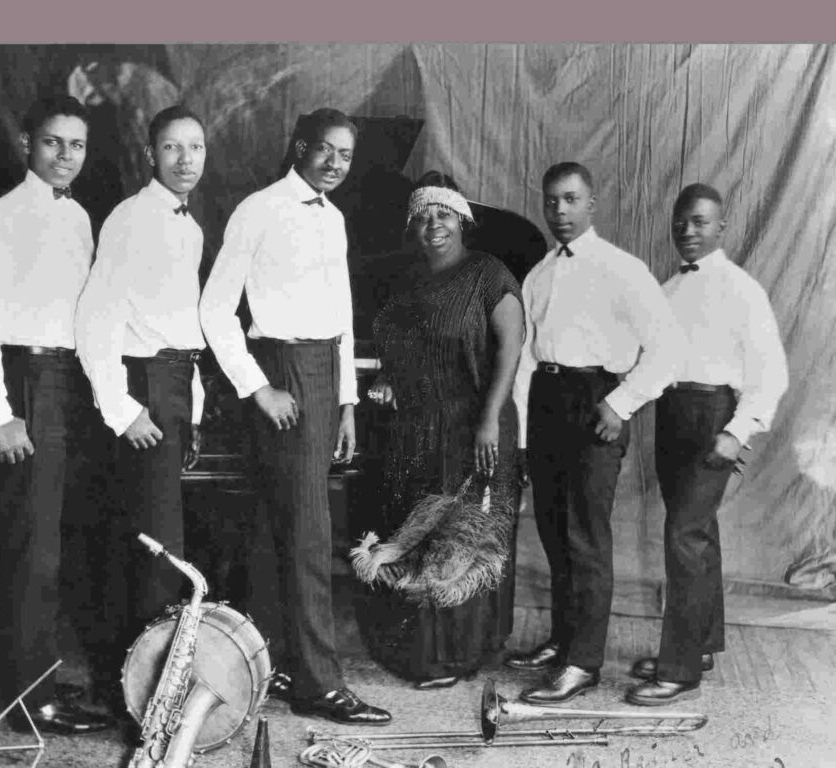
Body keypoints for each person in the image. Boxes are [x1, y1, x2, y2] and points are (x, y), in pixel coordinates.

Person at [199, 107, 391, 725]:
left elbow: (342, 316)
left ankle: (274, 664)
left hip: (324, 372)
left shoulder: (334, 218)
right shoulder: (258, 209)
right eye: (325, 150)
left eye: (346, 155)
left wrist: (347, 403)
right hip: (281, 369)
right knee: (309, 533)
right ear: (300, 146)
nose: (335, 164)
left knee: (276, 526)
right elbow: (214, 309)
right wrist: (259, 387)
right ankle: (319, 684)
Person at [0, 94, 113, 734]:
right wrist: (0, 413)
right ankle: (31, 699)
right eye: (52, 142)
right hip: (25, 382)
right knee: (34, 548)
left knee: (49, 541)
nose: (65, 155)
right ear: (27, 144)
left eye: (77, 145)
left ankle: (21, 676)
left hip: (66, 382)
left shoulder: (78, 218)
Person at [506, 161, 683, 704]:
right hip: (547, 401)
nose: (560, 210)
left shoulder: (622, 269)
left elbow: (668, 349)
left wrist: (621, 403)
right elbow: (527, 359)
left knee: (585, 536)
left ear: (592, 203)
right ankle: (563, 640)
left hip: (595, 402)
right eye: (552, 200)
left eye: (571, 199)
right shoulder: (538, 274)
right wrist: (522, 437)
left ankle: (583, 663)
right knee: (555, 532)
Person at [625, 183, 788, 706]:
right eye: (681, 222)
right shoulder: (667, 289)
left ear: (722, 227)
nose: (688, 231)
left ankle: (678, 670)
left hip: (714, 415)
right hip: (672, 413)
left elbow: (771, 372)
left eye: (699, 222)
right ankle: (698, 645)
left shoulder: (742, 289)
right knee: (697, 532)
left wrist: (736, 431)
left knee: (684, 537)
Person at [363, 171, 525, 689]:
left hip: (473, 424)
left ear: (463, 220)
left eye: (445, 214)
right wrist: (388, 377)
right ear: (413, 225)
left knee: (461, 534)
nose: (434, 224)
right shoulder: (408, 280)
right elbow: (398, 344)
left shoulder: (488, 273)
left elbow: (511, 348)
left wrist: (489, 420)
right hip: (418, 425)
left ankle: (456, 655)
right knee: (418, 530)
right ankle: (419, 651)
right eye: (424, 215)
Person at [74, 105, 208, 702]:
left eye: (195, 147)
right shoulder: (130, 218)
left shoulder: (190, 226)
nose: (185, 159)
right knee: (150, 545)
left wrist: (193, 411)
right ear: (151, 155)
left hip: (174, 386)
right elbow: (94, 319)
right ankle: (134, 691)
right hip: (142, 388)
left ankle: (148, 683)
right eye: (172, 147)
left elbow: (182, 329)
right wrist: (122, 408)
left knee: (162, 541)